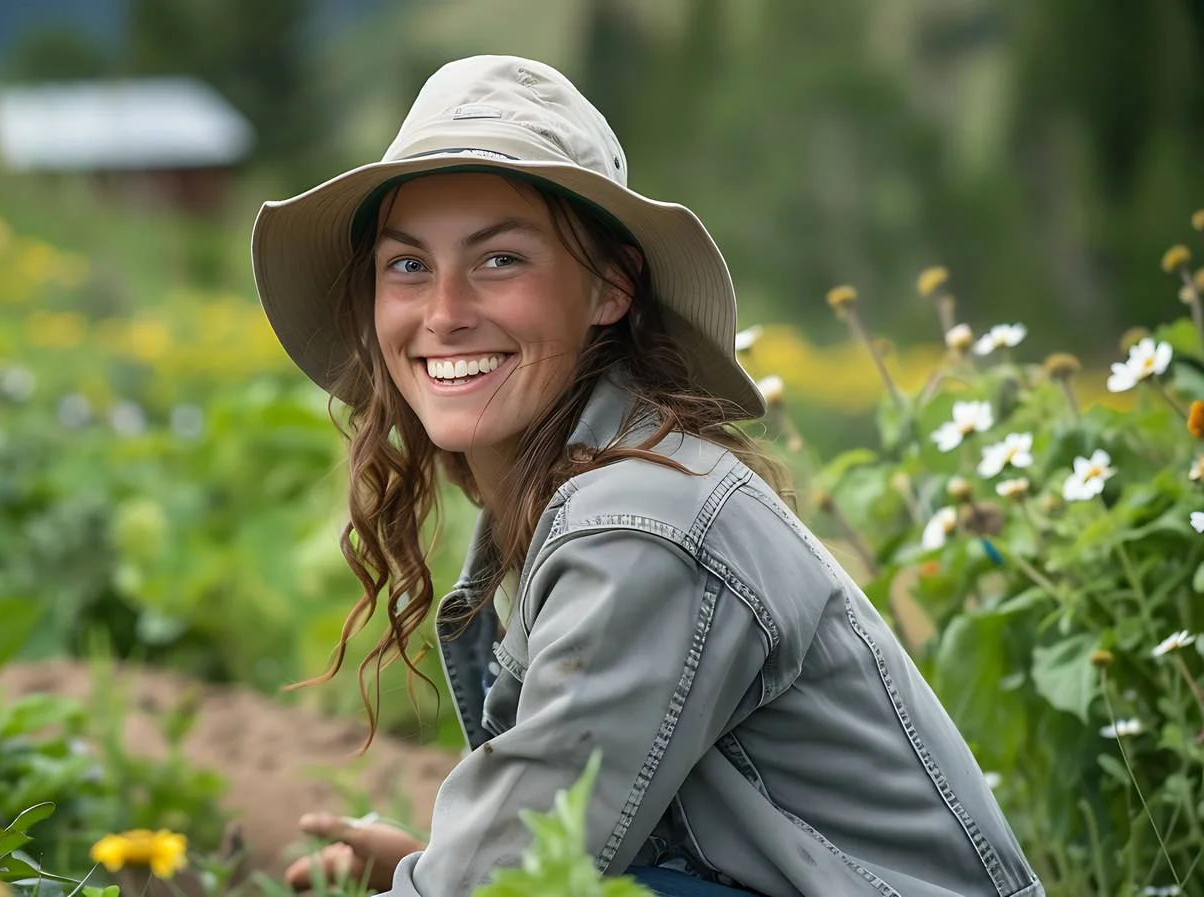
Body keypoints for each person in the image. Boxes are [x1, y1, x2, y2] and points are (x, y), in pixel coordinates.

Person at [250, 55, 1043, 897]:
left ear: (610, 288)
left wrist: (431, 881)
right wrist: (424, 867)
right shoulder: (584, 492)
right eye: (408, 265)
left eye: (499, 261)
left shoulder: (641, 520)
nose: (444, 312)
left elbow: (510, 880)